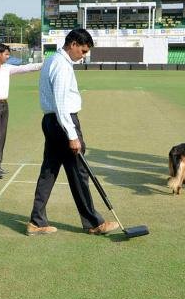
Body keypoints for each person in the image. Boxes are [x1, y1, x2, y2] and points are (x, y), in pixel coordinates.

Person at [27, 29, 119, 235]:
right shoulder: (61, 65)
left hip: (52, 121)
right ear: (73, 44)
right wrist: (72, 135)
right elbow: (61, 103)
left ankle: (36, 221)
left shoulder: (53, 60)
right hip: (63, 122)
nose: (84, 55)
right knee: (79, 172)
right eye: (83, 50)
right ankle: (94, 222)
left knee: (49, 172)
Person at [0, 43, 42, 178]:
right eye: (6, 54)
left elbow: (25, 68)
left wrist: (43, 65)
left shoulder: (6, 68)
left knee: (2, 136)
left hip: (4, 105)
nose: (8, 56)